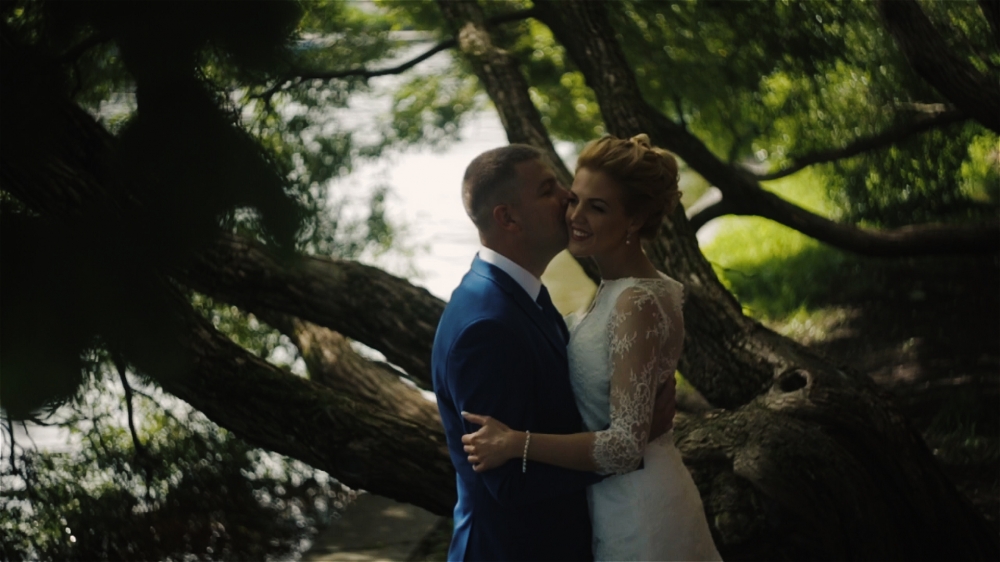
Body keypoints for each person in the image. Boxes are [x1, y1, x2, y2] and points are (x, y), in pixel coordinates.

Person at [461, 134, 722, 561]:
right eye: (575, 199)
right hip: (615, 502)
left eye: (597, 207)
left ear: (634, 220)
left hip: (640, 513)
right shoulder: (617, 290)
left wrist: (515, 442)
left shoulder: (636, 302)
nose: (575, 216)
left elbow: (623, 448)